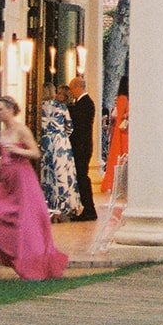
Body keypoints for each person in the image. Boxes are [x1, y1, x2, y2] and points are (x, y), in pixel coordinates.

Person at [0, 96, 67, 280]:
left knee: (27, 223)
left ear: (10, 110)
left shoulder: (21, 130)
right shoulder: (1, 132)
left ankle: (31, 264)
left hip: (22, 180)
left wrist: (18, 151)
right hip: (6, 182)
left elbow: (35, 152)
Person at [38, 84, 81, 222]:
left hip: (46, 141)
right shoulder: (62, 107)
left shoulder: (39, 107)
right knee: (61, 172)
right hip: (60, 142)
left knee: (47, 173)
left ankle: (47, 204)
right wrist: (62, 135)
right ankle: (63, 205)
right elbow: (70, 127)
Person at [65, 76, 98, 221]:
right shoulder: (82, 103)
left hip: (82, 147)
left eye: (72, 89)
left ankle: (89, 209)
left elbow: (79, 127)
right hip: (81, 147)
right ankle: (86, 207)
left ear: (78, 87)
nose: (71, 93)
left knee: (82, 178)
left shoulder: (86, 104)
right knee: (80, 178)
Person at [101, 74, 129, 194]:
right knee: (120, 155)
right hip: (122, 131)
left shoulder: (123, 98)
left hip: (124, 131)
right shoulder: (123, 98)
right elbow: (121, 115)